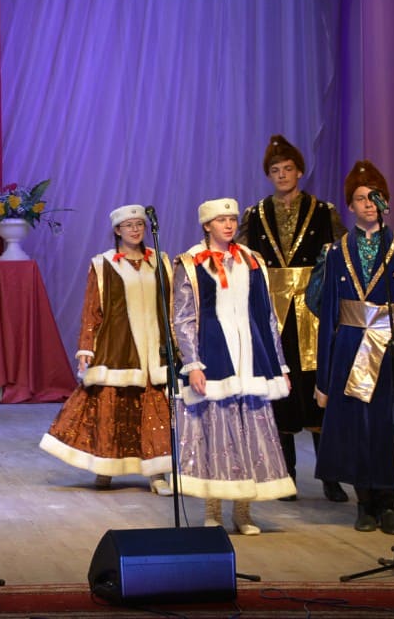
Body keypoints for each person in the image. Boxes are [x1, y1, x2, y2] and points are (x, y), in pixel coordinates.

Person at [310, 161, 394, 535]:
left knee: (392, 420)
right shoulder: (334, 252)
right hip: (351, 346)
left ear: (386, 202)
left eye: (375, 197)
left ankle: (390, 501)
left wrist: (392, 321)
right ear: (350, 205)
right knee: (357, 423)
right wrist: (357, 320)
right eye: (360, 198)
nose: (369, 203)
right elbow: (317, 300)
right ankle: (364, 502)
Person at [172, 198, 295, 535]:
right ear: (207, 225)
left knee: (250, 435)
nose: (228, 225)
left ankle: (243, 512)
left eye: (232, 219)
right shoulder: (191, 262)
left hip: (250, 357)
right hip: (215, 355)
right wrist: (193, 364)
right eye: (220, 220)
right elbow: (183, 317)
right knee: (217, 435)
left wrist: (280, 365)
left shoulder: (251, 260)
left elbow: (266, 315)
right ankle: (213, 510)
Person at [237, 136, 347, 503]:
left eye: (287, 169)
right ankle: (286, 475)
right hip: (273, 313)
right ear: (268, 175)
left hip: (312, 312)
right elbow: (241, 259)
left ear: (299, 171)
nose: (282, 175)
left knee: (318, 391)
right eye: (275, 170)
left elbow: (341, 255)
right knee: (279, 391)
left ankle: (331, 475)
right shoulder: (255, 215)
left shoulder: (323, 211)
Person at [40, 205, 172, 492]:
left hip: (153, 349)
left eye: (139, 224)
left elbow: (170, 306)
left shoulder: (159, 260)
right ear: (117, 230)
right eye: (129, 225)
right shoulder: (104, 264)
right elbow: (92, 310)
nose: (135, 229)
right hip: (118, 348)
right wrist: (86, 349)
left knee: (154, 412)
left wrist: (176, 345)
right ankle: (105, 467)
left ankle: (157, 475)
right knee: (112, 408)